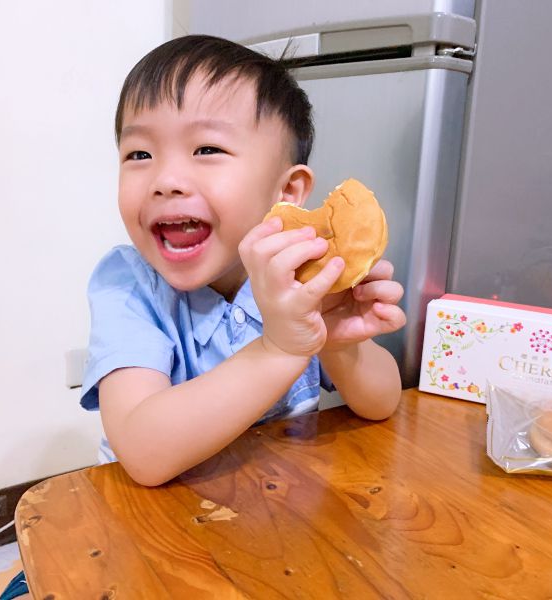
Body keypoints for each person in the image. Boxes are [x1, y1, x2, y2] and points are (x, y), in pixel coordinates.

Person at [80, 34, 407, 487]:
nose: (166, 179)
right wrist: (281, 348)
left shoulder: (297, 277)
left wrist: (337, 343)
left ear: (287, 192)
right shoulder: (129, 285)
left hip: (273, 515)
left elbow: (382, 402)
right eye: (140, 154)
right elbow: (143, 453)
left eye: (206, 150)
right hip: (152, 532)